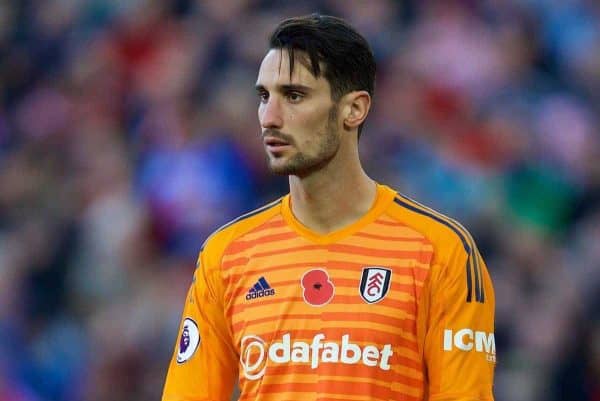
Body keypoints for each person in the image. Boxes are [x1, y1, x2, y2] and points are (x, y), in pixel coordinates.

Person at [162, 13, 495, 401]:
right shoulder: (228, 255)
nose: (269, 118)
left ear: (353, 109)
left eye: (294, 96)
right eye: (264, 97)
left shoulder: (442, 252)